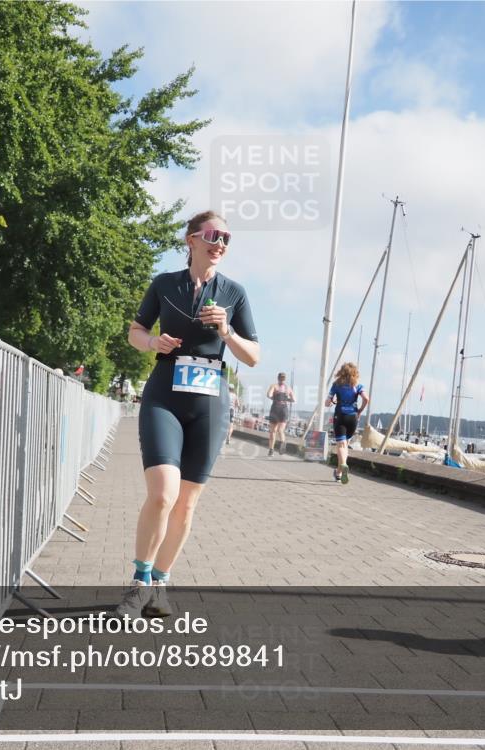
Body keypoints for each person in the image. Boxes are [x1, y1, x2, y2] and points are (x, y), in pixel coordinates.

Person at [120, 210, 260, 618]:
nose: (221, 244)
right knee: (162, 494)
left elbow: (253, 356)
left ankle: (160, 584)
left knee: (185, 504)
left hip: (210, 404)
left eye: (228, 239)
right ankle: (139, 583)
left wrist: (227, 332)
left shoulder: (234, 292)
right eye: (214, 235)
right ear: (192, 239)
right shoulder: (165, 284)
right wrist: (151, 344)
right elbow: (135, 331)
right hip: (165, 395)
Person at [325, 362, 369, 484]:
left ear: (341, 372)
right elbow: (366, 399)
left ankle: (343, 465)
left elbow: (327, 403)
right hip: (353, 418)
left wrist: (331, 400)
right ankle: (339, 473)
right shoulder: (358, 386)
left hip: (340, 417)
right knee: (345, 446)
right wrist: (359, 411)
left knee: (341, 446)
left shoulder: (336, 385)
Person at [266, 373, 294, 456]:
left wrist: (274, 397)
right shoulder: (288, 388)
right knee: (280, 430)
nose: (282, 379)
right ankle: (282, 442)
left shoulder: (274, 386)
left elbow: (269, 395)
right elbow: (293, 399)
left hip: (275, 408)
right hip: (283, 409)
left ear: (278, 378)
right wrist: (285, 399)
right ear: (284, 379)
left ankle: (271, 450)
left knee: (273, 431)